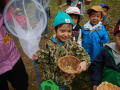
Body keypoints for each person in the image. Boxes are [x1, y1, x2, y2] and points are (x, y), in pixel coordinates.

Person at [33, 11, 91, 90]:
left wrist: (84, 62)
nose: (66, 34)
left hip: (64, 80)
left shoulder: (72, 44)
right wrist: (38, 58)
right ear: (55, 30)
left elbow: (85, 55)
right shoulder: (49, 44)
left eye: (69, 31)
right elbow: (44, 56)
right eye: (62, 31)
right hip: (50, 79)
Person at [0, 0, 28, 90]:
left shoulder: (4, 10)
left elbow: (12, 23)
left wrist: (18, 18)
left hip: (13, 57)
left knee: (22, 84)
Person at [90, 19, 120, 90]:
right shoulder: (106, 50)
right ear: (115, 36)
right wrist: (96, 82)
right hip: (104, 87)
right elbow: (97, 66)